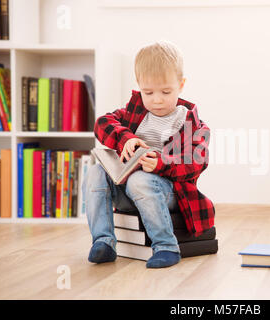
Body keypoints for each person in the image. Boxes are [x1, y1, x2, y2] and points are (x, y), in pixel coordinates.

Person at [82, 40, 215, 268]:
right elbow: (102, 123)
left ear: (181, 85)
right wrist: (127, 138)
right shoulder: (134, 112)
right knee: (95, 172)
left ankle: (166, 246)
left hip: (170, 193)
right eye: (148, 92)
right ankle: (103, 242)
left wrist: (161, 164)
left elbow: (197, 161)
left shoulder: (193, 124)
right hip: (128, 191)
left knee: (140, 179)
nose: (157, 99)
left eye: (166, 91)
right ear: (139, 86)